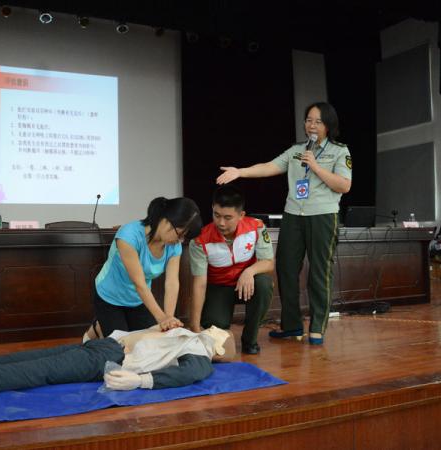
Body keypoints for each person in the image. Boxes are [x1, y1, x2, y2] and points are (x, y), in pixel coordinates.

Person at [216, 102, 352, 345]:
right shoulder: (296, 150)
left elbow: (344, 185)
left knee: (320, 272)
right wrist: (241, 172)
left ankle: (317, 328)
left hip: (322, 216)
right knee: (286, 270)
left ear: (328, 125)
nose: (310, 125)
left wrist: (316, 167)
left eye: (317, 121)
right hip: (293, 215)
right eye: (308, 119)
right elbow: (269, 166)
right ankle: (292, 326)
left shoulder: (340, 151)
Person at [0, 326, 236, 401]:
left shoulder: (200, 353)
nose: (211, 328)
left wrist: (143, 381)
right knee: (40, 357)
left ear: (219, 348)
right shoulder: (187, 336)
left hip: (110, 358)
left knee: (44, 370)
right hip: (107, 344)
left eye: (217, 331)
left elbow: (191, 375)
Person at [89, 197, 203, 338]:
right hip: (110, 297)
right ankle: (98, 328)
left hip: (138, 300)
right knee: (121, 348)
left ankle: (107, 327)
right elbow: (140, 283)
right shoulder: (128, 236)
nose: (180, 241)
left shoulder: (174, 246)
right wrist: (161, 318)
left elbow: (172, 282)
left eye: (184, 237)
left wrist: (169, 318)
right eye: (180, 234)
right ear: (166, 221)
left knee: (150, 340)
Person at [188, 184, 274, 355]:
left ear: (241, 215)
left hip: (247, 284)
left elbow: (269, 262)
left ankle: (250, 339)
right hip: (218, 287)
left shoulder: (256, 227)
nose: (221, 222)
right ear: (212, 209)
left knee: (264, 283)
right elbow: (199, 284)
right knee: (214, 327)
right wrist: (194, 326)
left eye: (228, 217)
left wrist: (249, 272)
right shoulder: (199, 241)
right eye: (216, 215)